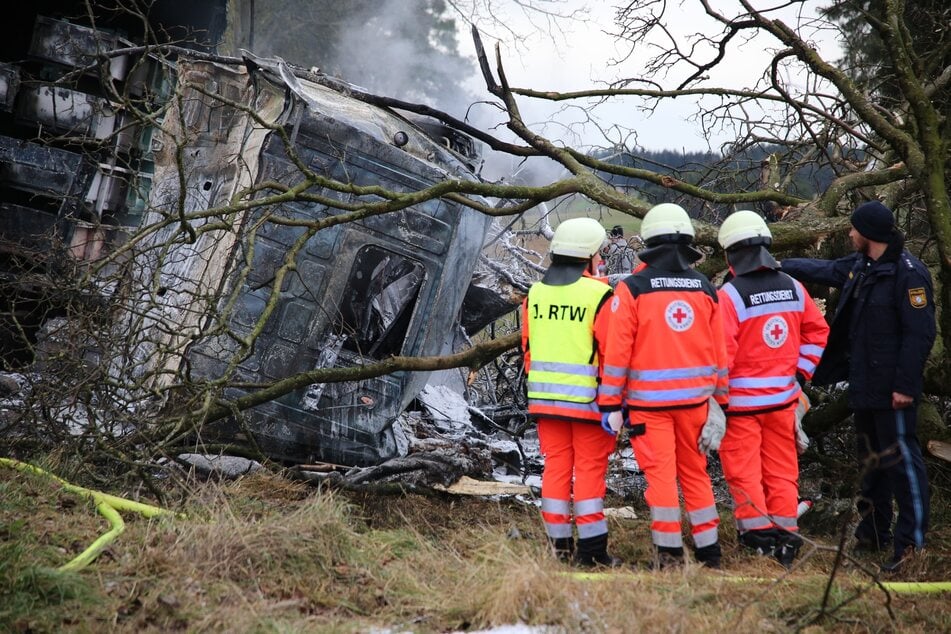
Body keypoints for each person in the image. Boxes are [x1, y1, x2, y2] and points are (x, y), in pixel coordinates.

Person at [782, 201, 936, 573]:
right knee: (871, 464)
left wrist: (904, 386)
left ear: (868, 234)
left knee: (903, 465)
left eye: (853, 230)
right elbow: (826, 269)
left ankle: (910, 545)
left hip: (893, 392)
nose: (848, 234)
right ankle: (873, 534)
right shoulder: (863, 266)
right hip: (865, 385)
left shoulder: (909, 275)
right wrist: (779, 267)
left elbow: (920, 335)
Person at [598, 203, 729, 569]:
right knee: (696, 476)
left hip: (649, 409)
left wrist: (609, 405)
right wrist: (722, 403)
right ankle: (710, 554)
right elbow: (720, 353)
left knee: (662, 482)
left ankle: (669, 558)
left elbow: (617, 354)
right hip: (697, 408)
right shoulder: (705, 286)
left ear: (649, 242)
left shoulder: (633, 289)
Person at [715, 210, 829, 567]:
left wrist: (715, 402)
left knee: (744, 472)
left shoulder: (730, 295)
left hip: (741, 408)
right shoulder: (793, 286)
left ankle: (758, 540)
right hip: (783, 403)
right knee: (782, 470)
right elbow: (817, 332)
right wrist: (799, 376)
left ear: (730, 253)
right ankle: (787, 539)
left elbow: (721, 356)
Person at [521, 217, 619, 567]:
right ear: (590, 256)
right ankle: (592, 554)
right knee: (590, 473)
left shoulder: (535, 294)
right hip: (590, 404)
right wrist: (614, 401)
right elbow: (612, 354)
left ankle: (558, 550)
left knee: (556, 471)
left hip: (546, 403)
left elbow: (529, 350)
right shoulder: (601, 295)